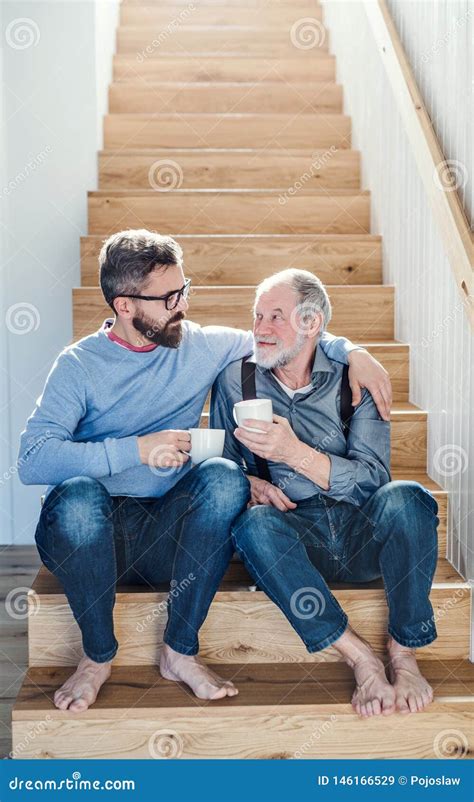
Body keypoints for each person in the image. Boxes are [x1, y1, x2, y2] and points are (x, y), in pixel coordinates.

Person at [18, 230, 393, 712]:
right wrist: (134, 450)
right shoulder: (78, 365)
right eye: (169, 298)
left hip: (164, 537)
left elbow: (287, 334)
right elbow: (33, 459)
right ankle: (96, 656)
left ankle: (179, 650)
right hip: (88, 539)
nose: (183, 306)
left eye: (184, 290)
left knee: (222, 475)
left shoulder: (201, 346)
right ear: (125, 306)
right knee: (78, 496)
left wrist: (352, 351)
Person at [210, 268, 439, 719]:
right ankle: (361, 658)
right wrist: (249, 482)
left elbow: (374, 480)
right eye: (257, 315)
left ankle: (403, 652)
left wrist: (294, 453)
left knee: (408, 497)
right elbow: (220, 465)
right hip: (296, 537)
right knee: (253, 524)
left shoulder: (356, 379)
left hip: (359, 531)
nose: (260, 328)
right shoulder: (235, 381)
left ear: (312, 323)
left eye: (276, 316)